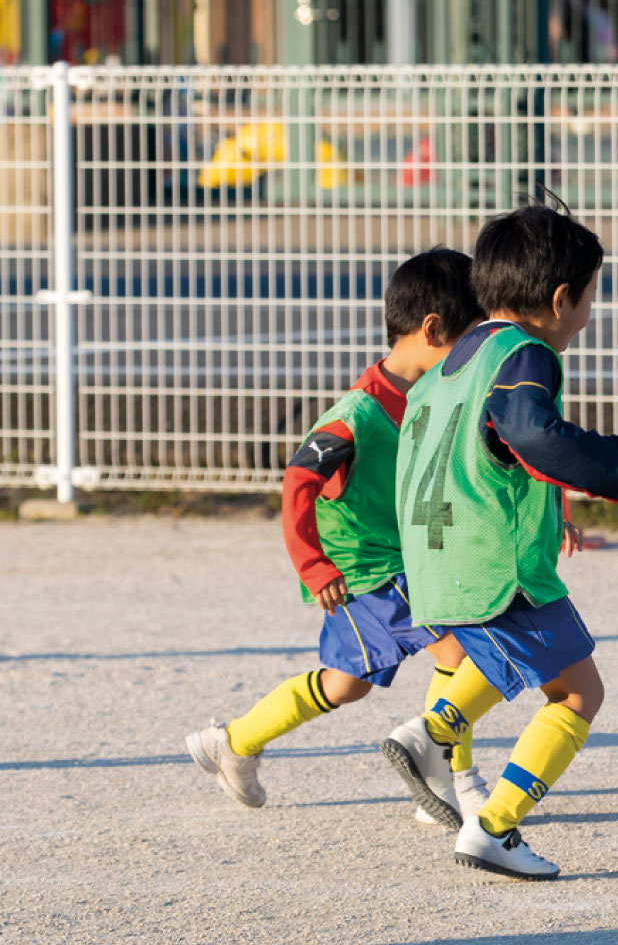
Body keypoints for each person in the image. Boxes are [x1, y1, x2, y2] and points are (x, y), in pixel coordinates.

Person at [380, 201, 618, 880]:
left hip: (435, 560)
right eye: (592, 296)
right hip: (493, 564)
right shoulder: (527, 353)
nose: (590, 312)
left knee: (507, 658)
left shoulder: (457, 356)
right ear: (562, 298)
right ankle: (496, 828)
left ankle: (431, 731)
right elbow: (530, 435)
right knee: (576, 693)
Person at [185, 249, 496, 820]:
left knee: (345, 684)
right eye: (469, 342)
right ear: (432, 329)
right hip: (364, 572)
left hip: (405, 563)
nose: (475, 359)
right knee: (460, 647)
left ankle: (233, 742)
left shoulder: (428, 399)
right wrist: (313, 566)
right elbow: (299, 480)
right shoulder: (356, 413)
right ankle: (453, 778)